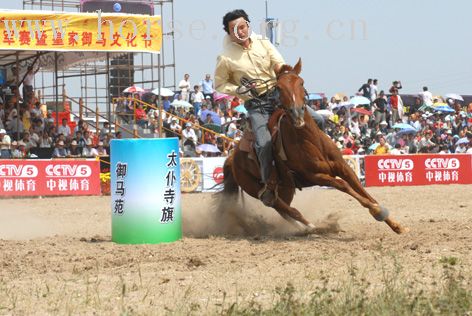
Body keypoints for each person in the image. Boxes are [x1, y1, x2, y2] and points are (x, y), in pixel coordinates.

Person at [214, 9, 324, 206]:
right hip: (257, 107)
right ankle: (269, 184)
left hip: (278, 98)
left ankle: (317, 160)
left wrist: (282, 74)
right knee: (264, 143)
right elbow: (220, 85)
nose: (239, 31)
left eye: (242, 26)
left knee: (319, 119)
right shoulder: (225, 58)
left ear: (248, 25)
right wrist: (241, 90)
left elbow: (280, 65)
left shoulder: (264, 43)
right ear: (229, 33)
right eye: (234, 29)